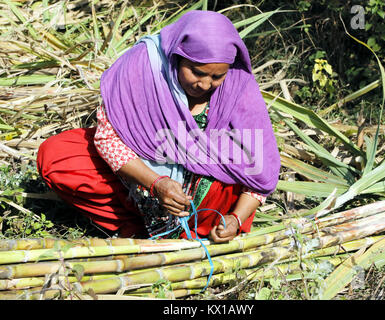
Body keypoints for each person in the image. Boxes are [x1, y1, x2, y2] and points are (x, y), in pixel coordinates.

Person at [37, 10, 281, 243]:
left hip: (204, 205)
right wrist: (156, 183)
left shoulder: (237, 85)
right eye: (196, 72)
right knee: (58, 155)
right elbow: (108, 139)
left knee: (242, 166)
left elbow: (260, 166)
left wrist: (235, 219)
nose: (205, 85)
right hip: (137, 184)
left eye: (217, 77)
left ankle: (195, 231)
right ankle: (132, 225)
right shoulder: (142, 68)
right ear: (177, 54)